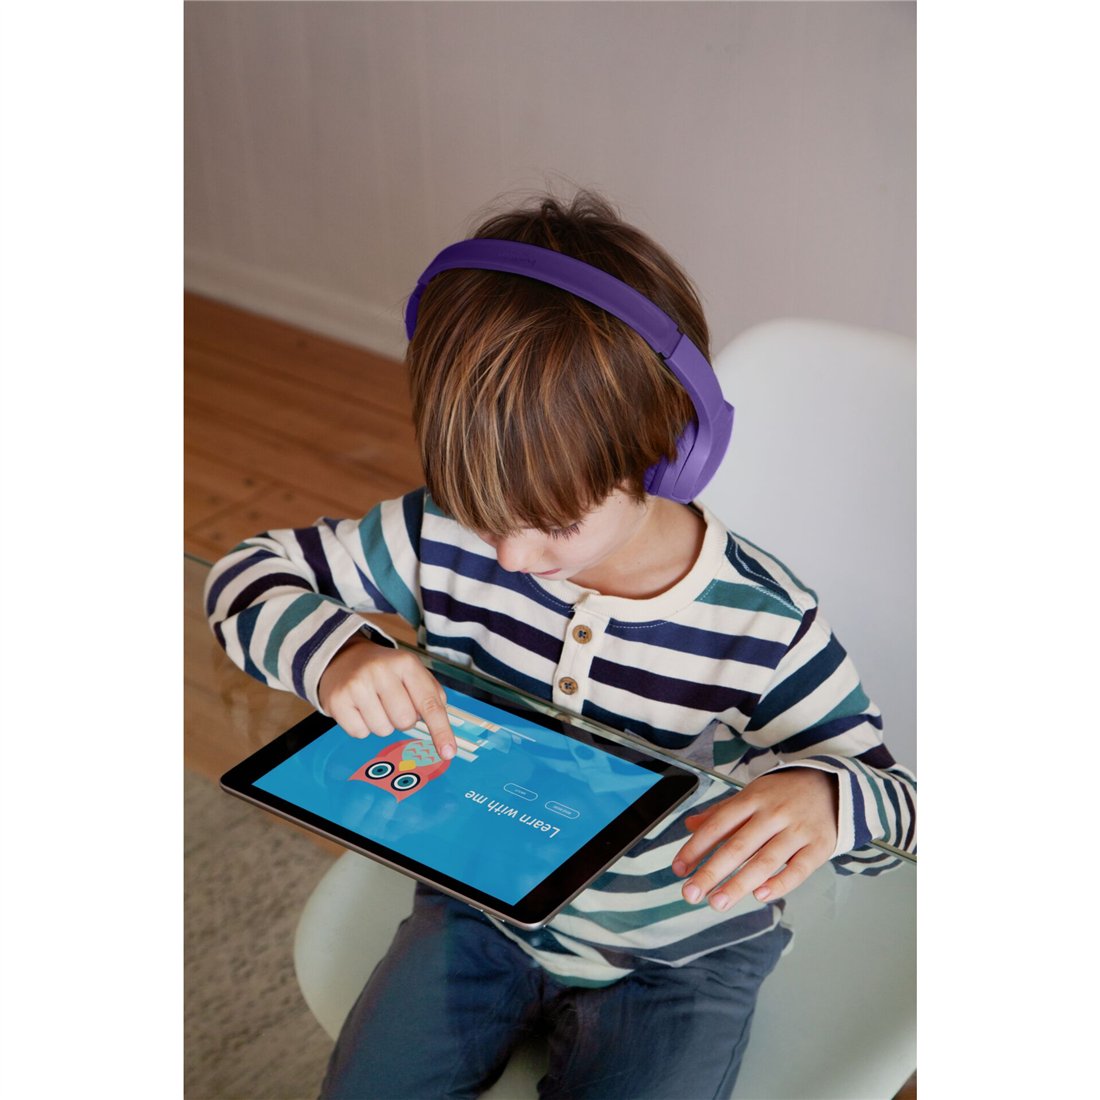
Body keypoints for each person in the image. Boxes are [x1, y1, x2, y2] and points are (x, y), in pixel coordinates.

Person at [204, 190, 916, 1099]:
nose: (509, 555)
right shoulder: (440, 536)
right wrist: (337, 655)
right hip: (482, 905)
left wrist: (825, 798)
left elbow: (900, 819)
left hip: (680, 957)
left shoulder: (764, 625)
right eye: (483, 510)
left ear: (668, 451)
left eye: (551, 522)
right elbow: (246, 573)